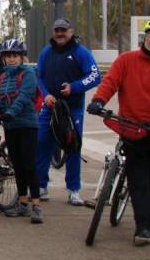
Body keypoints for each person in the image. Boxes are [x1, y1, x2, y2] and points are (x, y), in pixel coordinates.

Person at [87, 19, 150, 246]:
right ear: (145, 38)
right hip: (132, 129)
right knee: (139, 180)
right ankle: (144, 226)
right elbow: (110, 82)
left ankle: (149, 222)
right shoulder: (127, 60)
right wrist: (98, 100)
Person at [36, 19, 101, 205]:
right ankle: (41, 186)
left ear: (71, 31)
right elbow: (39, 76)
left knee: (73, 147)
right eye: (57, 30)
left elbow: (95, 76)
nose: (60, 34)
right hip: (49, 108)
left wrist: (74, 87)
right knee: (42, 143)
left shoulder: (80, 52)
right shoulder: (46, 52)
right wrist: (46, 95)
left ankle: (74, 190)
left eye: (63, 30)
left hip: (72, 109)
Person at [0, 39, 43, 223]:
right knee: (17, 166)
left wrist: (11, 112)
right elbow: (2, 99)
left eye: (15, 56)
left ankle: (36, 205)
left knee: (29, 165)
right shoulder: (3, 77)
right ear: (3, 59)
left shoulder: (28, 73)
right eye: (8, 56)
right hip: (11, 126)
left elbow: (25, 96)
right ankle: (22, 203)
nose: (11, 59)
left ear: (21, 57)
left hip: (27, 125)